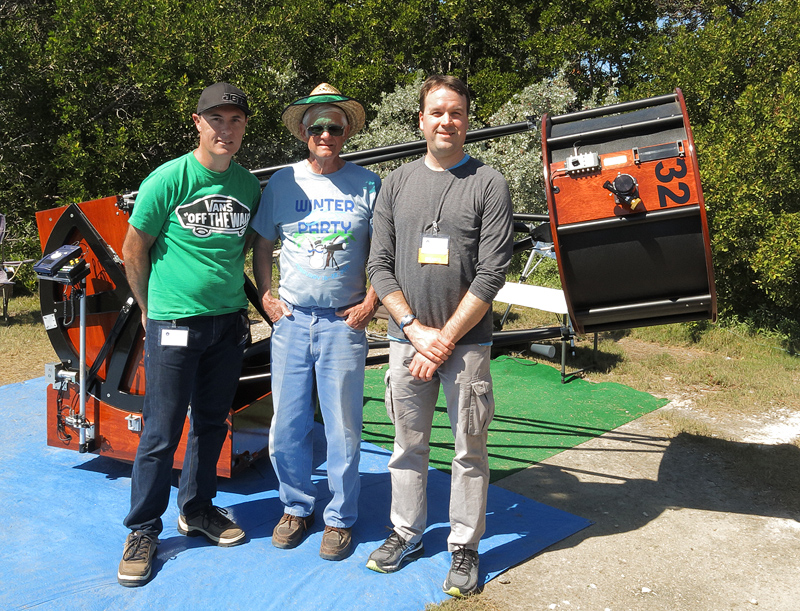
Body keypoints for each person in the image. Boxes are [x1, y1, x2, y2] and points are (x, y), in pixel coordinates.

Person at [366, 75, 513, 597]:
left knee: (468, 450)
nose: (446, 121)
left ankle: (465, 547)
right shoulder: (395, 183)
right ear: (421, 121)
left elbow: (492, 273)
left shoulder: (489, 183)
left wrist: (444, 339)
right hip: (408, 341)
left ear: (466, 121)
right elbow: (379, 267)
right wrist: (413, 329)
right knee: (406, 446)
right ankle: (405, 533)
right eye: (436, 112)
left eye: (455, 113)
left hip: (466, 347)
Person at [117, 82, 261, 587]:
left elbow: (240, 251)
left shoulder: (246, 185)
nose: (226, 128)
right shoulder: (168, 179)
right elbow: (133, 248)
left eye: (236, 120)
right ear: (197, 123)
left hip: (227, 324)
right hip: (174, 323)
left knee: (213, 423)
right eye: (216, 119)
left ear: (244, 127)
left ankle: (197, 509)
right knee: (161, 429)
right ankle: (142, 529)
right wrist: (149, 308)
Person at [251, 83, 381, 561]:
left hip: (343, 325)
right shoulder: (283, 182)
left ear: (345, 132)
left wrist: (371, 302)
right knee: (286, 424)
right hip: (291, 321)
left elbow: (385, 253)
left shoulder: (368, 184)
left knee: (343, 427)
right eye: (317, 127)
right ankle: (296, 507)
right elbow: (263, 244)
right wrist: (265, 296)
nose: (326, 133)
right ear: (304, 132)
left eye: (334, 126)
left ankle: (340, 519)